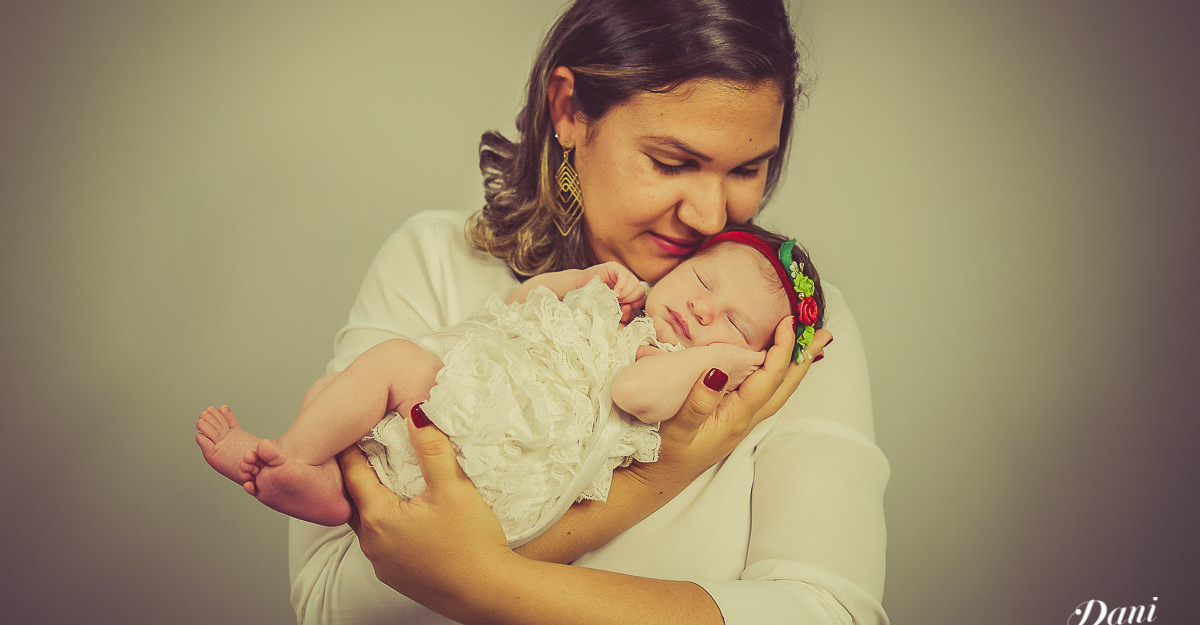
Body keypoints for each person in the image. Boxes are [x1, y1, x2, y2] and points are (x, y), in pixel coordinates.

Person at [288, 0, 889, 625]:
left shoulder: (789, 332)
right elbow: (329, 599)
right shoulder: (432, 260)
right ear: (570, 110)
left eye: (747, 169)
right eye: (673, 162)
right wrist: (654, 480)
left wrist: (481, 576)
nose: (712, 214)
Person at [196, 228, 824, 546]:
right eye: (702, 280)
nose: (705, 311)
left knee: (385, 366)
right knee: (349, 381)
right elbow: (513, 306)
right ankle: (317, 481)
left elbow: (636, 396)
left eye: (733, 325)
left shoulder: (675, 369)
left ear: (746, 357)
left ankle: (299, 461)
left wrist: (712, 358)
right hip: (464, 398)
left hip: (497, 462)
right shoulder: (620, 307)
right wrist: (582, 280)